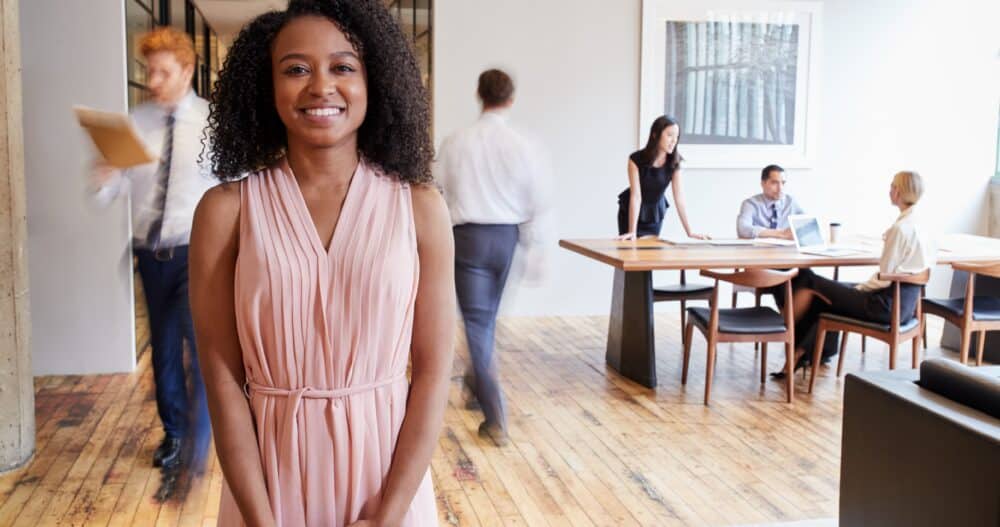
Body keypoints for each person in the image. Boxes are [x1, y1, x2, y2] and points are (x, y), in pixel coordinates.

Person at [189, 1, 454, 525]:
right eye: (296, 69)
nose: (320, 86)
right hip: (268, 479)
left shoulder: (419, 208)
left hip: (386, 480)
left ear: (373, 81)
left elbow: (432, 373)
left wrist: (389, 514)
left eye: (343, 67)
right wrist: (262, 520)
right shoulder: (225, 212)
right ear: (266, 87)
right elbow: (222, 379)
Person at [91, 26, 214, 471]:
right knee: (162, 350)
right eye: (149, 72)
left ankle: (202, 434)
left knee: (196, 342)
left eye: (164, 72)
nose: (153, 81)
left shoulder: (210, 123)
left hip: (196, 252)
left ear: (187, 70)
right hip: (150, 253)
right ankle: (176, 434)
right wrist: (105, 179)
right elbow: (109, 194)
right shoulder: (133, 125)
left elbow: (233, 190)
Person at [435, 69, 550, 446]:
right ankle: (475, 386)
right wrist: (532, 245)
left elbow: (439, 189)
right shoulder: (524, 144)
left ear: (478, 95)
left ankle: (496, 414)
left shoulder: (456, 142)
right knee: (485, 321)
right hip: (506, 238)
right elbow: (537, 200)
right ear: (511, 99)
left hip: (467, 238)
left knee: (478, 324)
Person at [772, 171, 933, 378]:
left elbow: (884, 276)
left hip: (883, 306)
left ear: (899, 192)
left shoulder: (900, 229)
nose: (889, 190)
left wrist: (859, 288)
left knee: (808, 280)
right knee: (823, 296)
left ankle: (782, 333)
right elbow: (912, 271)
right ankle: (800, 354)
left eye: (892, 186)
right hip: (905, 305)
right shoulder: (923, 226)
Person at [617, 115, 708, 240]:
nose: (673, 141)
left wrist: (690, 232)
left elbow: (679, 198)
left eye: (676, 137)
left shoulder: (675, 163)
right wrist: (632, 231)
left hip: (654, 213)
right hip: (631, 212)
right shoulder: (635, 160)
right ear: (655, 135)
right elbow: (636, 196)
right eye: (670, 135)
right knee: (630, 250)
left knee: (650, 254)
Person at [736, 164, 805, 239]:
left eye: (783, 183)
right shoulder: (750, 204)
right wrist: (781, 233)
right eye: (774, 183)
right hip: (758, 249)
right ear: (763, 184)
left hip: (785, 249)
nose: (780, 188)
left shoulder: (791, 202)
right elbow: (742, 229)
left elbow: (809, 226)